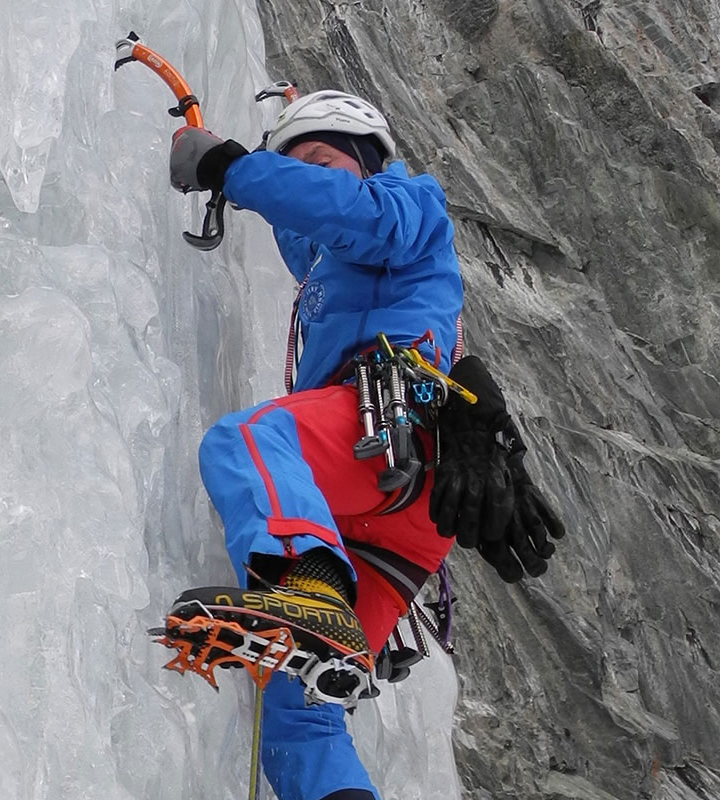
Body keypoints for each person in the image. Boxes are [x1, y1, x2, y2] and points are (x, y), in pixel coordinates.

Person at [159, 90, 566, 800]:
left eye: (320, 160)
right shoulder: (333, 264)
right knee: (298, 712)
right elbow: (307, 225)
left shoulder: (407, 204)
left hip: (388, 431)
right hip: (402, 529)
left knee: (249, 440)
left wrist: (235, 167)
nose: (308, 179)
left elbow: (345, 210)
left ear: (369, 159)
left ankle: (309, 585)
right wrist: (238, 150)